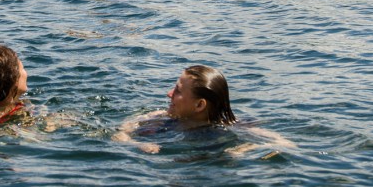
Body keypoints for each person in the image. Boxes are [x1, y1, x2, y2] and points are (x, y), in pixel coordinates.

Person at [113, 65, 295, 154]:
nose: (168, 94)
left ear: (199, 105)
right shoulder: (159, 118)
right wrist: (136, 144)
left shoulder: (233, 127)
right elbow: (121, 133)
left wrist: (245, 148)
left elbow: (286, 144)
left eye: (177, 91)